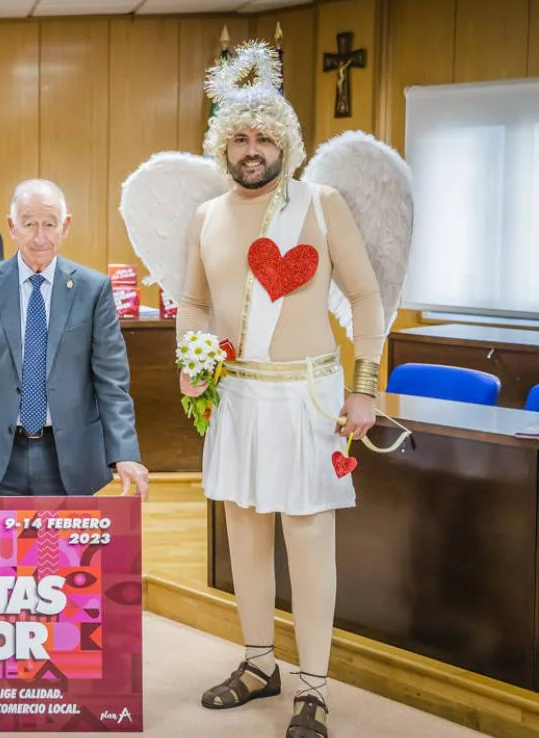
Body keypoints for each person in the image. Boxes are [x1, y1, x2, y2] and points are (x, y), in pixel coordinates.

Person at [119, 41, 411, 738]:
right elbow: (189, 302)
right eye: (240, 137)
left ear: (287, 141)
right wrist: (193, 356)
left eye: (264, 135)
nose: (252, 148)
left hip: (309, 398)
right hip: (239, 397)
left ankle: (313, 686)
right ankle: (258, 664)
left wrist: (366, 390)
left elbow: (367, 298)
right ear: (223, 145)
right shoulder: (205, 217)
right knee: (245, 534)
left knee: (308, 540)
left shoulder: (323, 203)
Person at [0, 178, 149, 499]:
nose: (40, 237)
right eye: (29, 224)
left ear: (66, 227)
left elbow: (112, 382)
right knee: (0, 550)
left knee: (65, 552)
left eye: (50, 225)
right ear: (12, 227)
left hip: (69, 458)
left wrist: (125, 452)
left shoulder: (93, 290)